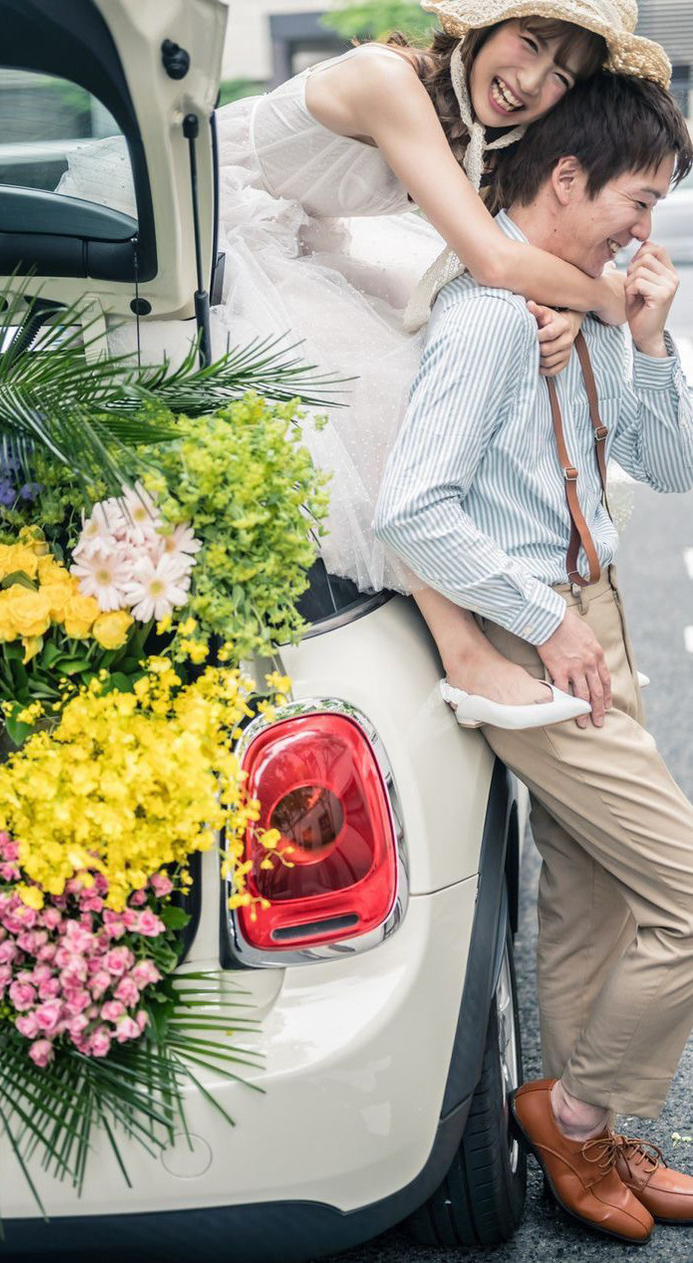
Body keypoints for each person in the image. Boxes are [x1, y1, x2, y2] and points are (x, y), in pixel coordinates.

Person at [58, 0, 672, 729]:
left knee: (459, 349)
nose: (531, 80)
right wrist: (602, 297)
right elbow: (495, 258)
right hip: (205, 238)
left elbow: (513, 255)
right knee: (397, 386)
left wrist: (565, 309)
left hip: (304, 244)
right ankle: (463, 649)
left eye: (562, 76)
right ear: (480, 25)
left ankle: (516, 561)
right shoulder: (387, 79)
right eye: (529, 42)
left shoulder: (488, 130)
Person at [375, 68, 693, 1242]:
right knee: (685, 893)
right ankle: (576, 1109)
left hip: (589, 605)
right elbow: (414, 508)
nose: (645, 229)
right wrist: (547, 620)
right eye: (640, 199)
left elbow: (667, 469)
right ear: (568, 176)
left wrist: (649, 341)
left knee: (595, 888)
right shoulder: (486, 317)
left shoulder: (592, 302)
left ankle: (592, 1139)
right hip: (530, 628)